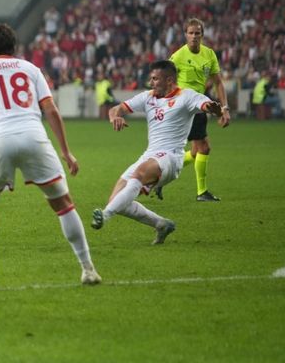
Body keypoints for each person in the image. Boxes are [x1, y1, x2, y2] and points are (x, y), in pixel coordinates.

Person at [0, 23, 100, 291]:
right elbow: (51, 110)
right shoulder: (31, 69)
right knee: (64, 205)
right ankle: (88, 269)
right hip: (35, 136)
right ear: (14, 48)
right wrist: (66, 150)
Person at [91, 60, 224, 244]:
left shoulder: (186, 96)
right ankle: (161, 224)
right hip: (149, 155)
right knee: (117, 199)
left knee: (137, 176)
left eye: (155, 79)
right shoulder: (148, 97)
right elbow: (117, 108)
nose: (151, 82)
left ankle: (105, 215)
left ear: (169, 80)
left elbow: (206, 105)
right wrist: (115, 116)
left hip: (170, 157)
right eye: (151, 78)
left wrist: (214, 109)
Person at [159, 18, 230, 201]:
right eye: (190, 33)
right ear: (185, 35)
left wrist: (225, 107)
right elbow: (164, 81)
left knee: (195, 152)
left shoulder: (209, 55)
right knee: (204, 147)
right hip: (184, 107)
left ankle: (157, 181)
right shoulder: (177, 57)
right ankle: (201, 192)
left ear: (202, 35)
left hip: (199, 104)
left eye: (197, 33)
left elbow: (218, 83)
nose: (194, 36)